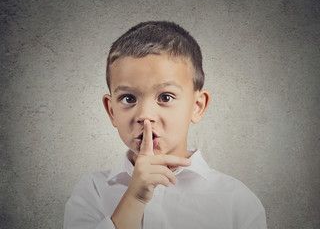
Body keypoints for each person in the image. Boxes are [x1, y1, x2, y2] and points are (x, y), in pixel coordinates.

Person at [64, 21, 267, 229]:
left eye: (166, 97)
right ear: (111, 111)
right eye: (128, 98)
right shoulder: (93, 191)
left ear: (197, 106)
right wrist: (134, 198)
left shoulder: (236, 201)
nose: (145, 115)